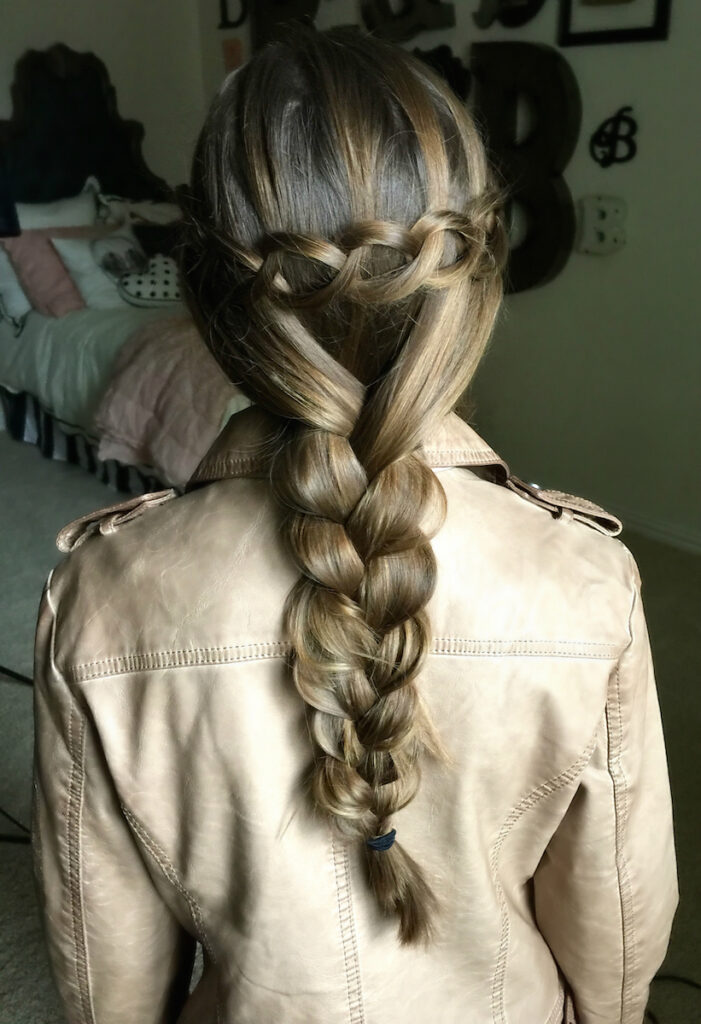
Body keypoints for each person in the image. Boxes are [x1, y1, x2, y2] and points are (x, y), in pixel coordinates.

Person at [32, 25, 678, 1024]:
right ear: (470, 280)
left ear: (209, 295)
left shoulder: (99, 599)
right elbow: (617, 933)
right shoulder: (582, 580)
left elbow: (105, 977)